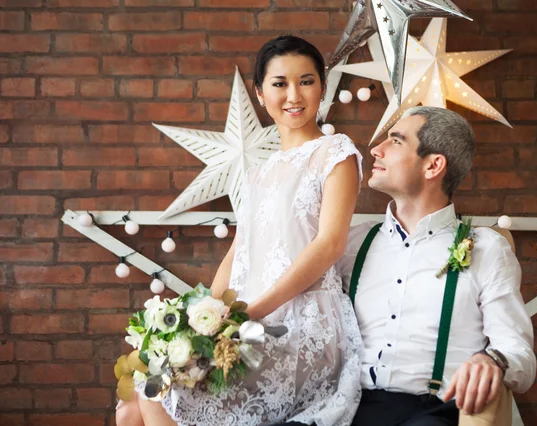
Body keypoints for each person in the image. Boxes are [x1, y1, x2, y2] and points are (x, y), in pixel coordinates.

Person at [116, 35, 364, 426]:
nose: (293, 95)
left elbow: (329, 245)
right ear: (260, 93)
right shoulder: (257, 173)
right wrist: (205, 322)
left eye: (307, 81)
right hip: (246, 326)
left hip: (303, 327)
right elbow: (239, 251)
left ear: (323, 86)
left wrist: (246, 315)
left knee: (158, 393)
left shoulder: (335, 153)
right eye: (280, 83)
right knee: (134, 402)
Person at [336, 106, 536, 426]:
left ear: (433, 165)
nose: (376, 149)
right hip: (350, 409)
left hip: (432, 413)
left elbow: (519, 354)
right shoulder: (351, 245)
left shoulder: (486, 248)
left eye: (396, 141)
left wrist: (493, 360)